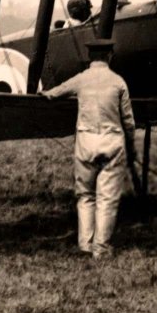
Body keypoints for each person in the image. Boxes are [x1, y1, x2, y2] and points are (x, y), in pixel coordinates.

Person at [42, 38, 136, 258]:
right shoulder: (118, 81)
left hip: (86, 141)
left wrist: (45, 95)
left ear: (89, 58)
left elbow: (55, 92)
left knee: (85, 195)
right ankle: (101, 247)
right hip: (112, 141)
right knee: (107, 197)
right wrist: (131, 146)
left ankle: (85, 243)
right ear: (109, 56)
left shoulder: (81, 79)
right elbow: (129, 121)